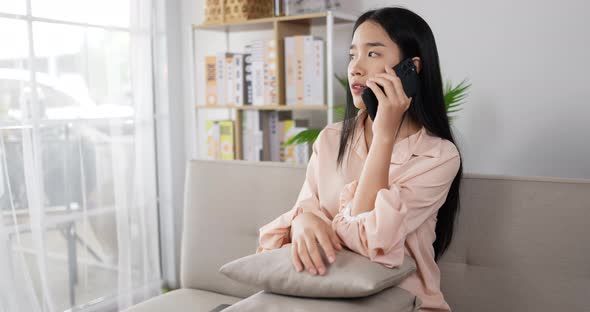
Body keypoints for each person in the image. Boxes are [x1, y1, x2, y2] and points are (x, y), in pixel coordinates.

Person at [256, 6, 463, 312]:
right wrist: (302, 222)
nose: (355, 67)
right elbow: (303, 211)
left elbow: (370, 239)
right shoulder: (330, 139)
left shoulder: (438, 156)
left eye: (373, 54)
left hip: (402, 302)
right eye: (353, 55)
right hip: (322, 294)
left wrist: (383, 137)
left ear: (412, 68)